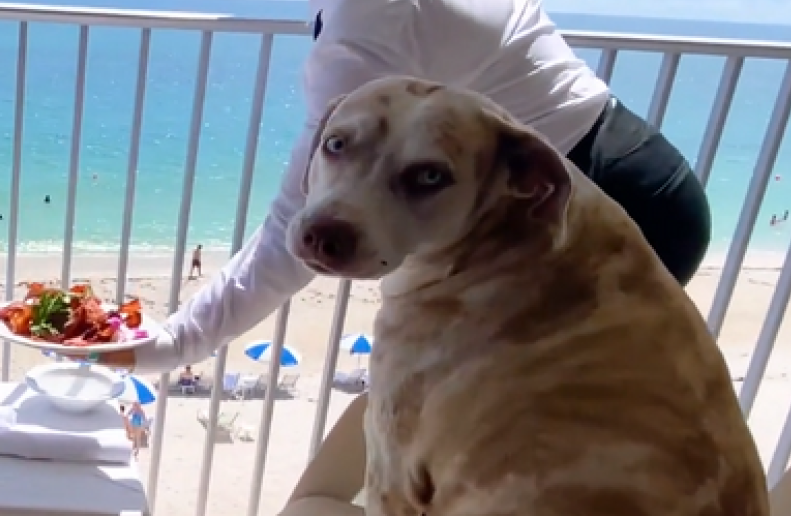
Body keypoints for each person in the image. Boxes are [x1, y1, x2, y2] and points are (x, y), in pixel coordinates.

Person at [83, 0, 711, 373]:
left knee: (503, 440)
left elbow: (295, 232)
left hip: (584, 208)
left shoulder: (370, 23)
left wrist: (170, 345)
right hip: (636, 174)